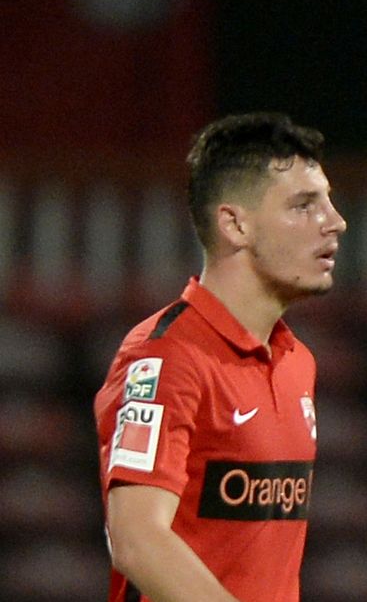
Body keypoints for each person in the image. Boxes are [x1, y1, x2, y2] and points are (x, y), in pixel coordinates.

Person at [94, 113, 347, 602]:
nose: (335, 221)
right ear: (235, 224)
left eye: (328, 203)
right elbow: (138, 541)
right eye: (303, 205)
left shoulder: (298, 364)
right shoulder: (165, 357)